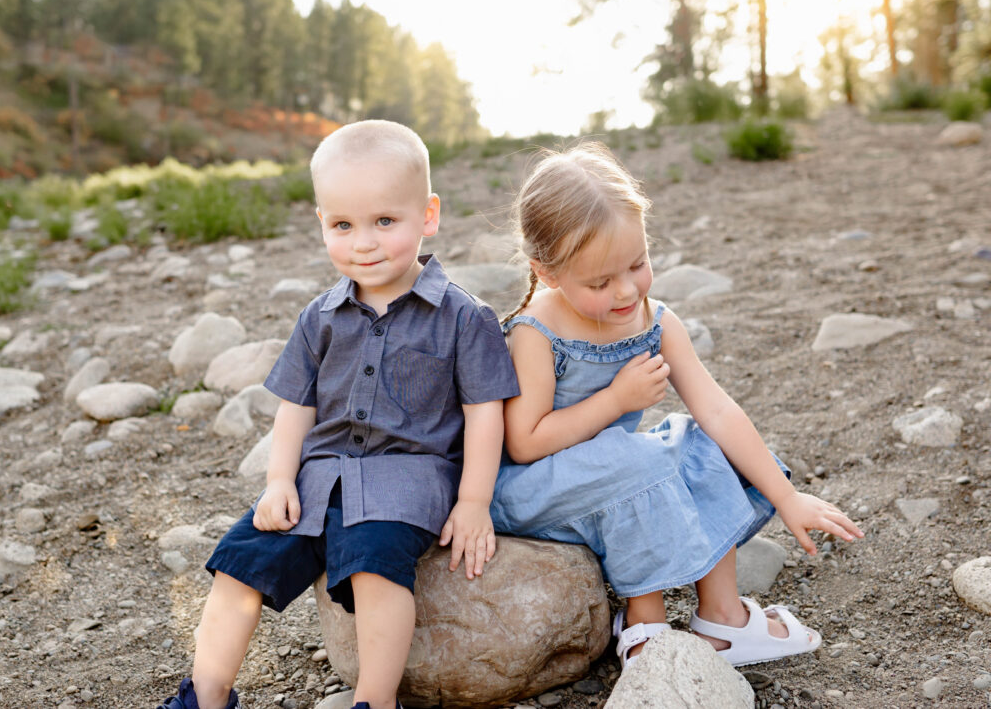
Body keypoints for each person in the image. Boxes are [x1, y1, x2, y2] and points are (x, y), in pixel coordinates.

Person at [158, 120, 519, 709]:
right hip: (316, 479)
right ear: (322, 222)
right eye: (343, 225)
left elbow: (485, 413)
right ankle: (205, 695)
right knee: (239, 565)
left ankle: (375, 701)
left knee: (374, 570)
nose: (364, 243)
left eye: (384, 221)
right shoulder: (319, 316)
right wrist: (278, 481)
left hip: (406, 483)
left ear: (427, 216)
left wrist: (474, 502)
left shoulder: (462, 316)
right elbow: (295, 406)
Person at [490, 142, 863, 669]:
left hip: (614, 474)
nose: (626, 291)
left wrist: (787, 497)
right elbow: (524, 444)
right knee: (637, 460)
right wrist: (615, 399)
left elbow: (719, 410)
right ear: (548, 274)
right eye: (600, 282)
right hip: (534, 493)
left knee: (696, 439)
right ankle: (645, 628)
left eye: (638, 264)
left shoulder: (656, 321)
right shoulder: (537, 331)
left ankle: (722, 619)